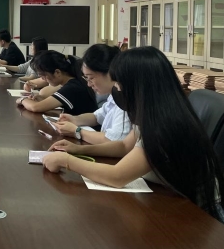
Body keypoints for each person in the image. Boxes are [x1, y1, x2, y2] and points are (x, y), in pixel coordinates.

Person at [42, 46, 224, 224]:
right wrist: (78, 149)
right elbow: (124, 146)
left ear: (137, 85)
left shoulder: (165, 124)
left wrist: (66, 161)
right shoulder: (151, 110)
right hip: (172, 198)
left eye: (119, 84)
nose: (117, 89)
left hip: (198, 215)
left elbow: (117, 176)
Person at [54, 44, 131, 144]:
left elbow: (114, 141)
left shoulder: (126, 102)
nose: (89, 84)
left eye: (91, 78)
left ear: (110, 72)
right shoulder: (114, 96)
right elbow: (97, 116)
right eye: (86, 78)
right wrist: (74, 119)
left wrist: (77, 131)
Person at [17, 50, 97, 115]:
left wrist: (22, 99)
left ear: (57, 72)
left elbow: (35, 107)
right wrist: (41, 99)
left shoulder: (72, 87)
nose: (43, 79)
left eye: (44, 75)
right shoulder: (74, 82)